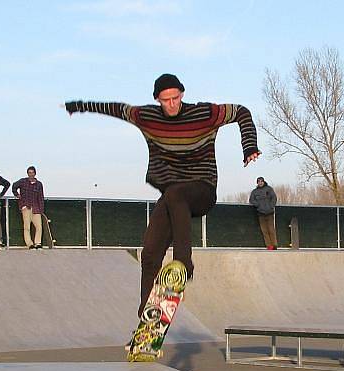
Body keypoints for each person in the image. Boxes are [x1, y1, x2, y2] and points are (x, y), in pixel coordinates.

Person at [65, 73, 261, 317]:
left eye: (176, 98)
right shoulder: (146, 117)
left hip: (202, 189)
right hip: (172, 199)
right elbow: (116, 109)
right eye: (166, 100)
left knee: (176, 193)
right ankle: (146, 318)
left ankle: (183, 263)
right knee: (149, 254)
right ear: (157, 99)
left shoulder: (205, 113)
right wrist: (80, 106)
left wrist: (249, 145)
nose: (172, 104)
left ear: (182, 94)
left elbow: (241, 111)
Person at [12, 166, 45, 249]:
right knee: (27, 227)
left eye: (32, 173)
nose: (31, 174)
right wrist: (17, 195)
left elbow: (41, 197)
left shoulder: (39, 184)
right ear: (27, 174)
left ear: (35, 173)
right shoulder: (23, 181)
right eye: (29, 173)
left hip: (36, 208)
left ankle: (38, 242)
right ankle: (29, 244)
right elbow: (14, 186)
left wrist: (41, 209)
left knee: (39, 226)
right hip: (26, 207)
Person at [249, 176, 278, 249]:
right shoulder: (254, 192)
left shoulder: (269, 189)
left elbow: (274, 197)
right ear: (257, 183)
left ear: (264, 182)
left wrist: (271, 206)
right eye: (259, 182)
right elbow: (251, 200)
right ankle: (269, 245)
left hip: (270, 212)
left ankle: (274, 245)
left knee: (271, 229)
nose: (260, 183)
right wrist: (258, 205)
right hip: (261, 213)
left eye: (261, 181)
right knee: (264, 230)